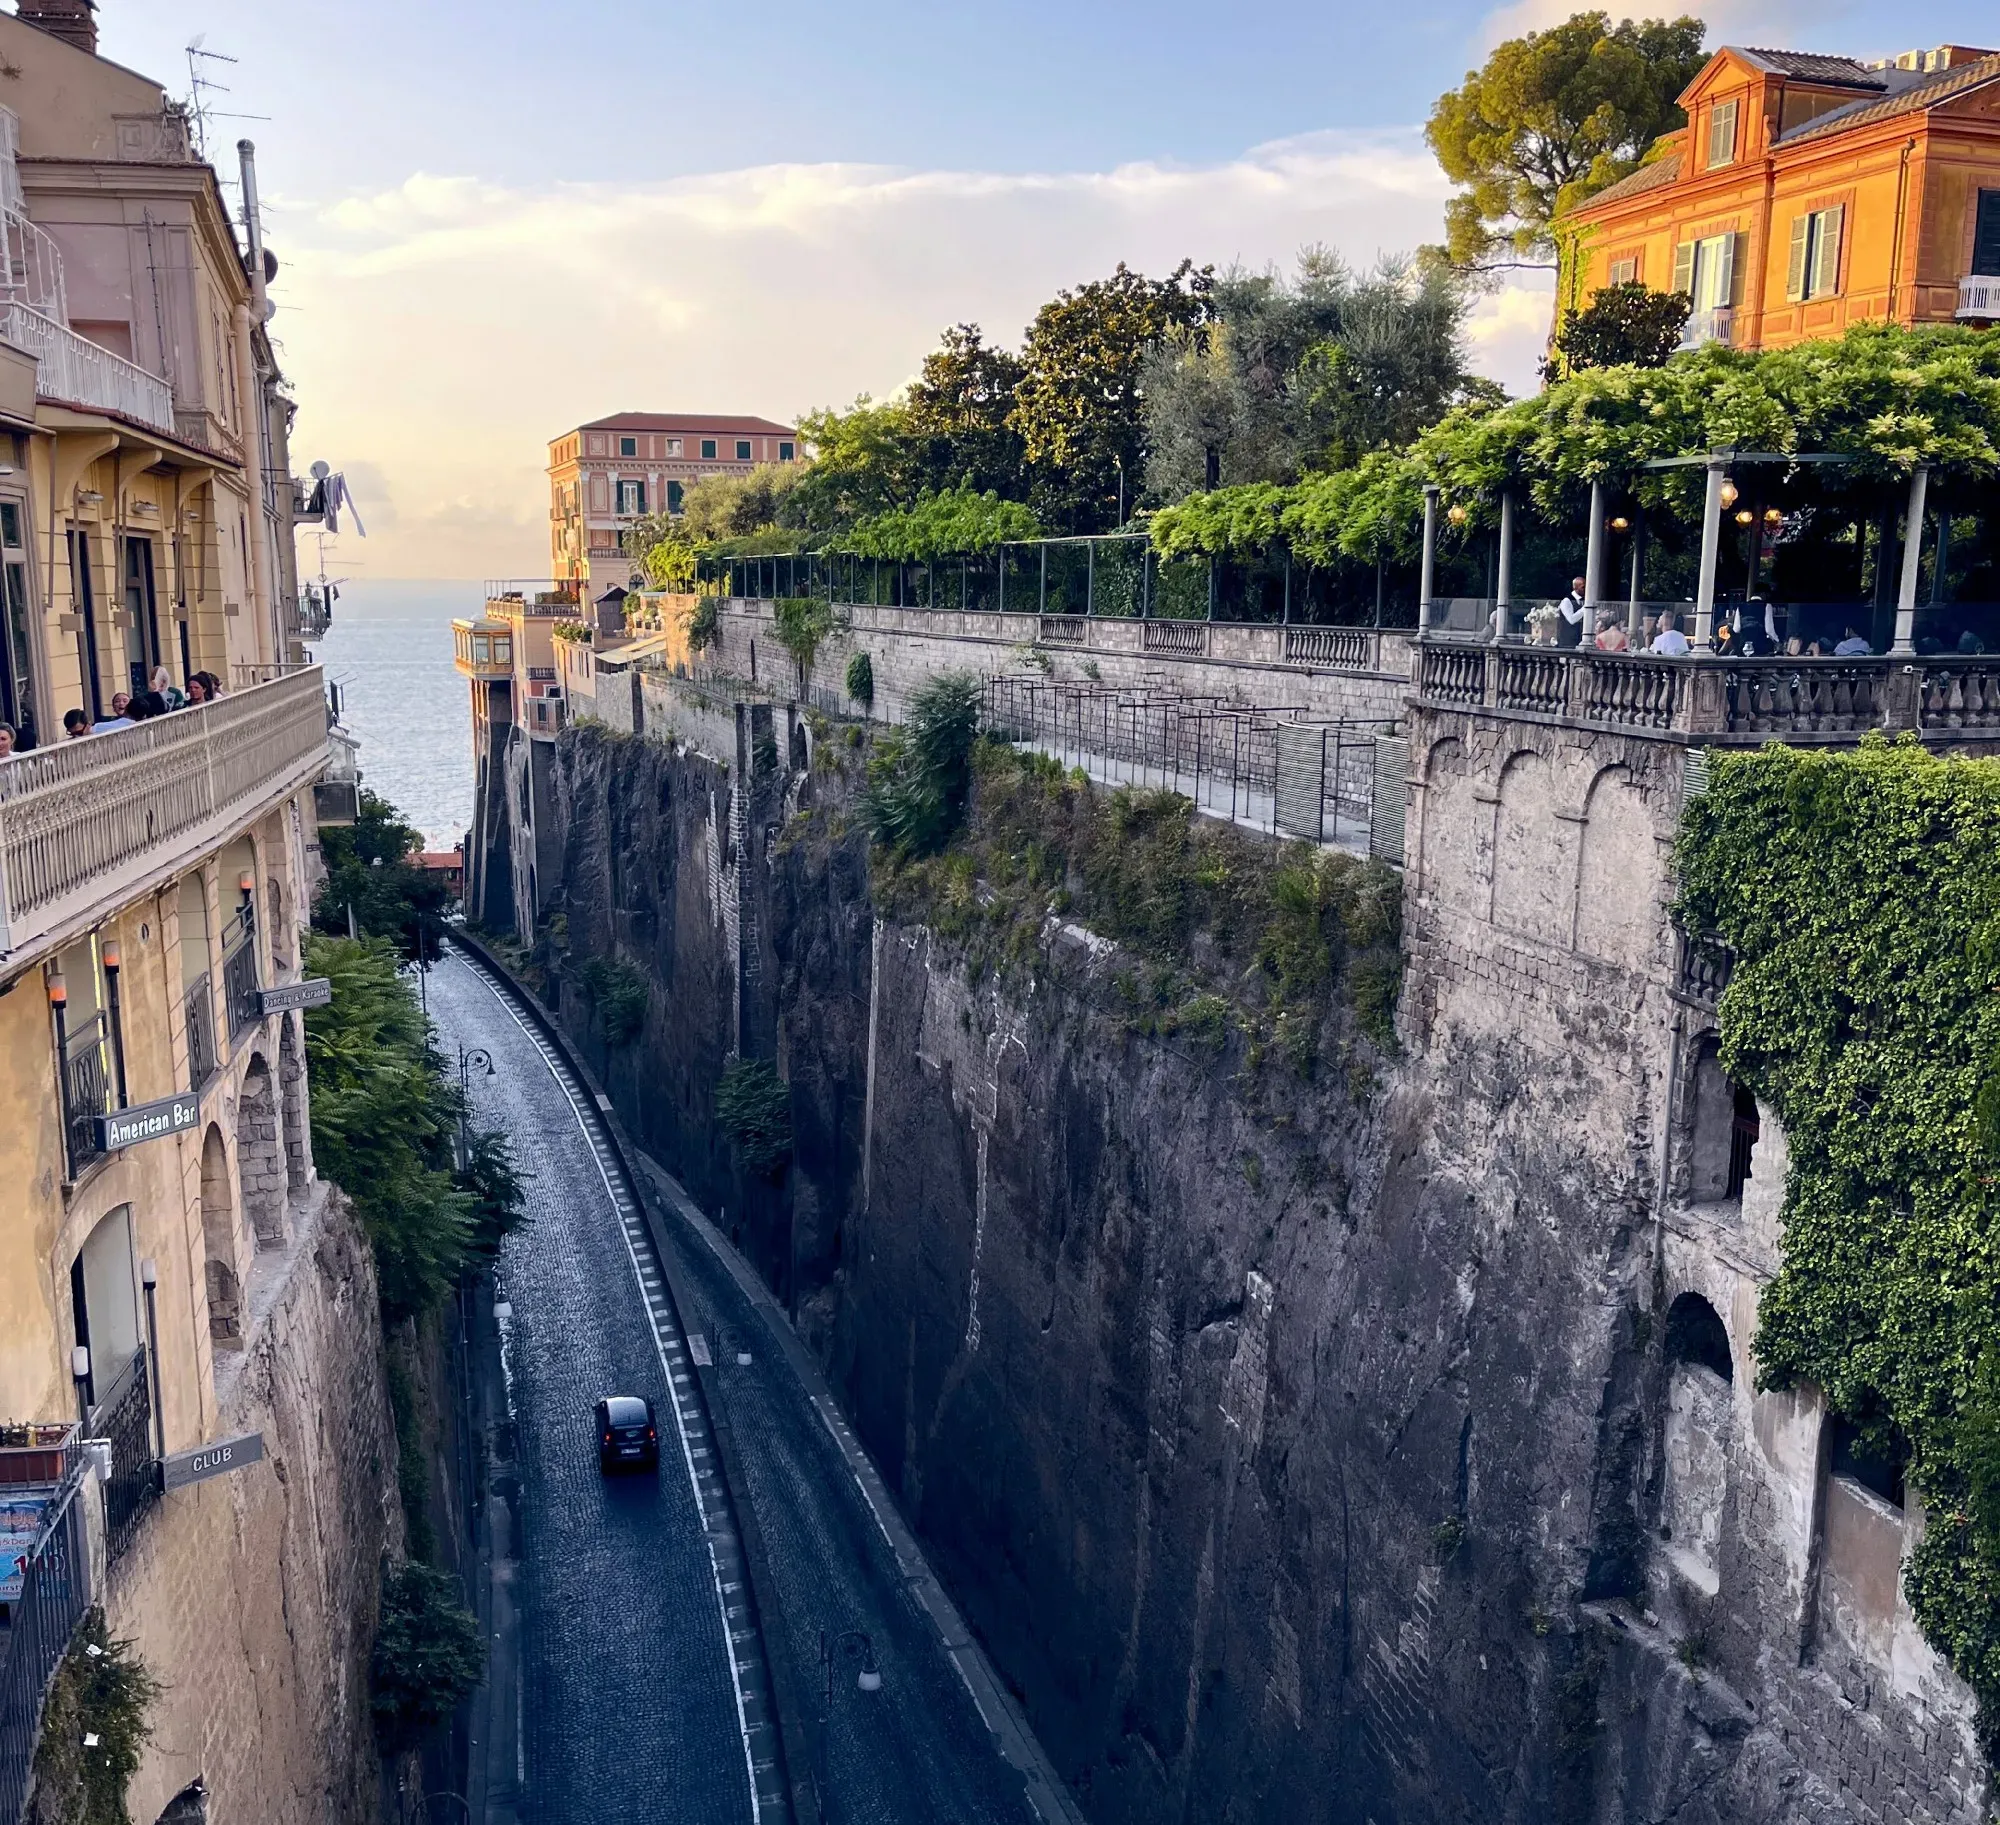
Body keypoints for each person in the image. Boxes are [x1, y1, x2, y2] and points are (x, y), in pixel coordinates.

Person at [1555, 575, 1588, 648]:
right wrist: (1585, 608)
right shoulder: (1567, 601)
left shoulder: (1583, 600)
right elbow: (1571, 620)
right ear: (1575, 587)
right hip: (1567, 642)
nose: (1586, 589)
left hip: (1579, 641)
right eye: (1583, 587)